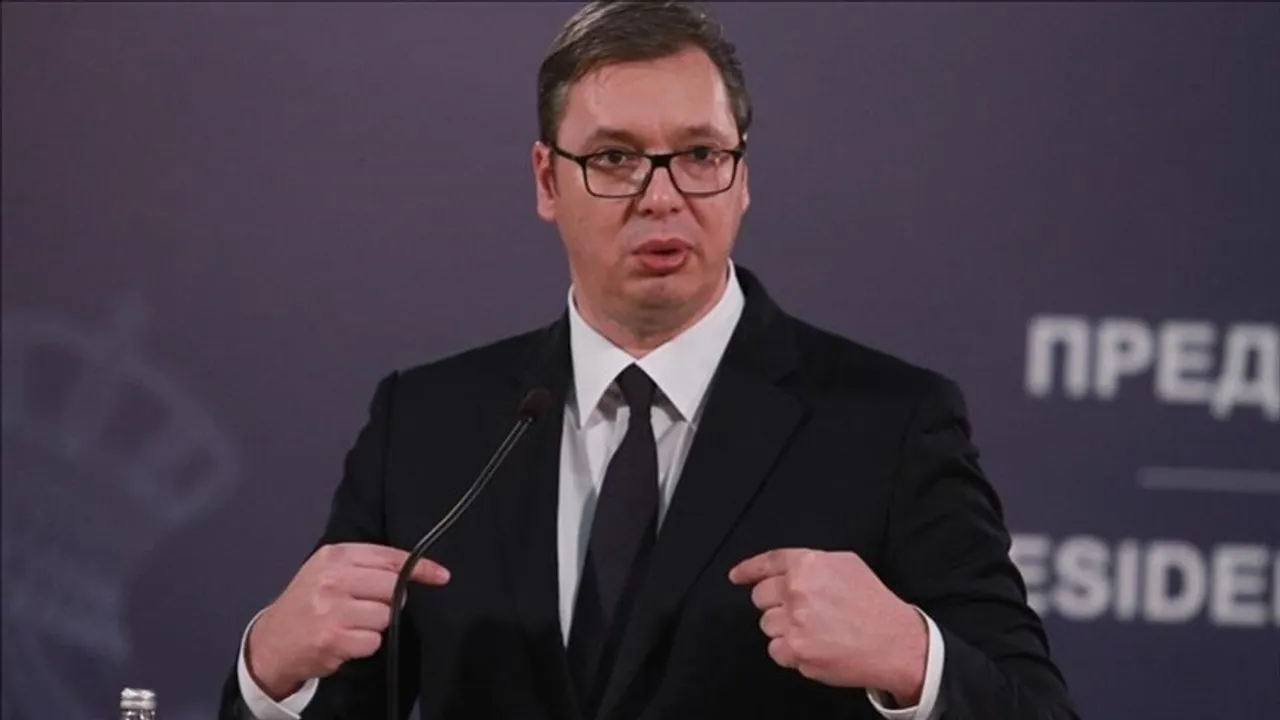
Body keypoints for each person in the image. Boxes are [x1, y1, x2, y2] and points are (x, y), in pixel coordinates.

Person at [218, 2, 1078, 719]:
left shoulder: (887, 425)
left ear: (743, 176)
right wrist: (270, 671)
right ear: (547, 181)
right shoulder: (427, 423)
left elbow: (1036, 708)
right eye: (615, 158)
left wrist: (912, 660)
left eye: (700, 155)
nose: (661, 196)